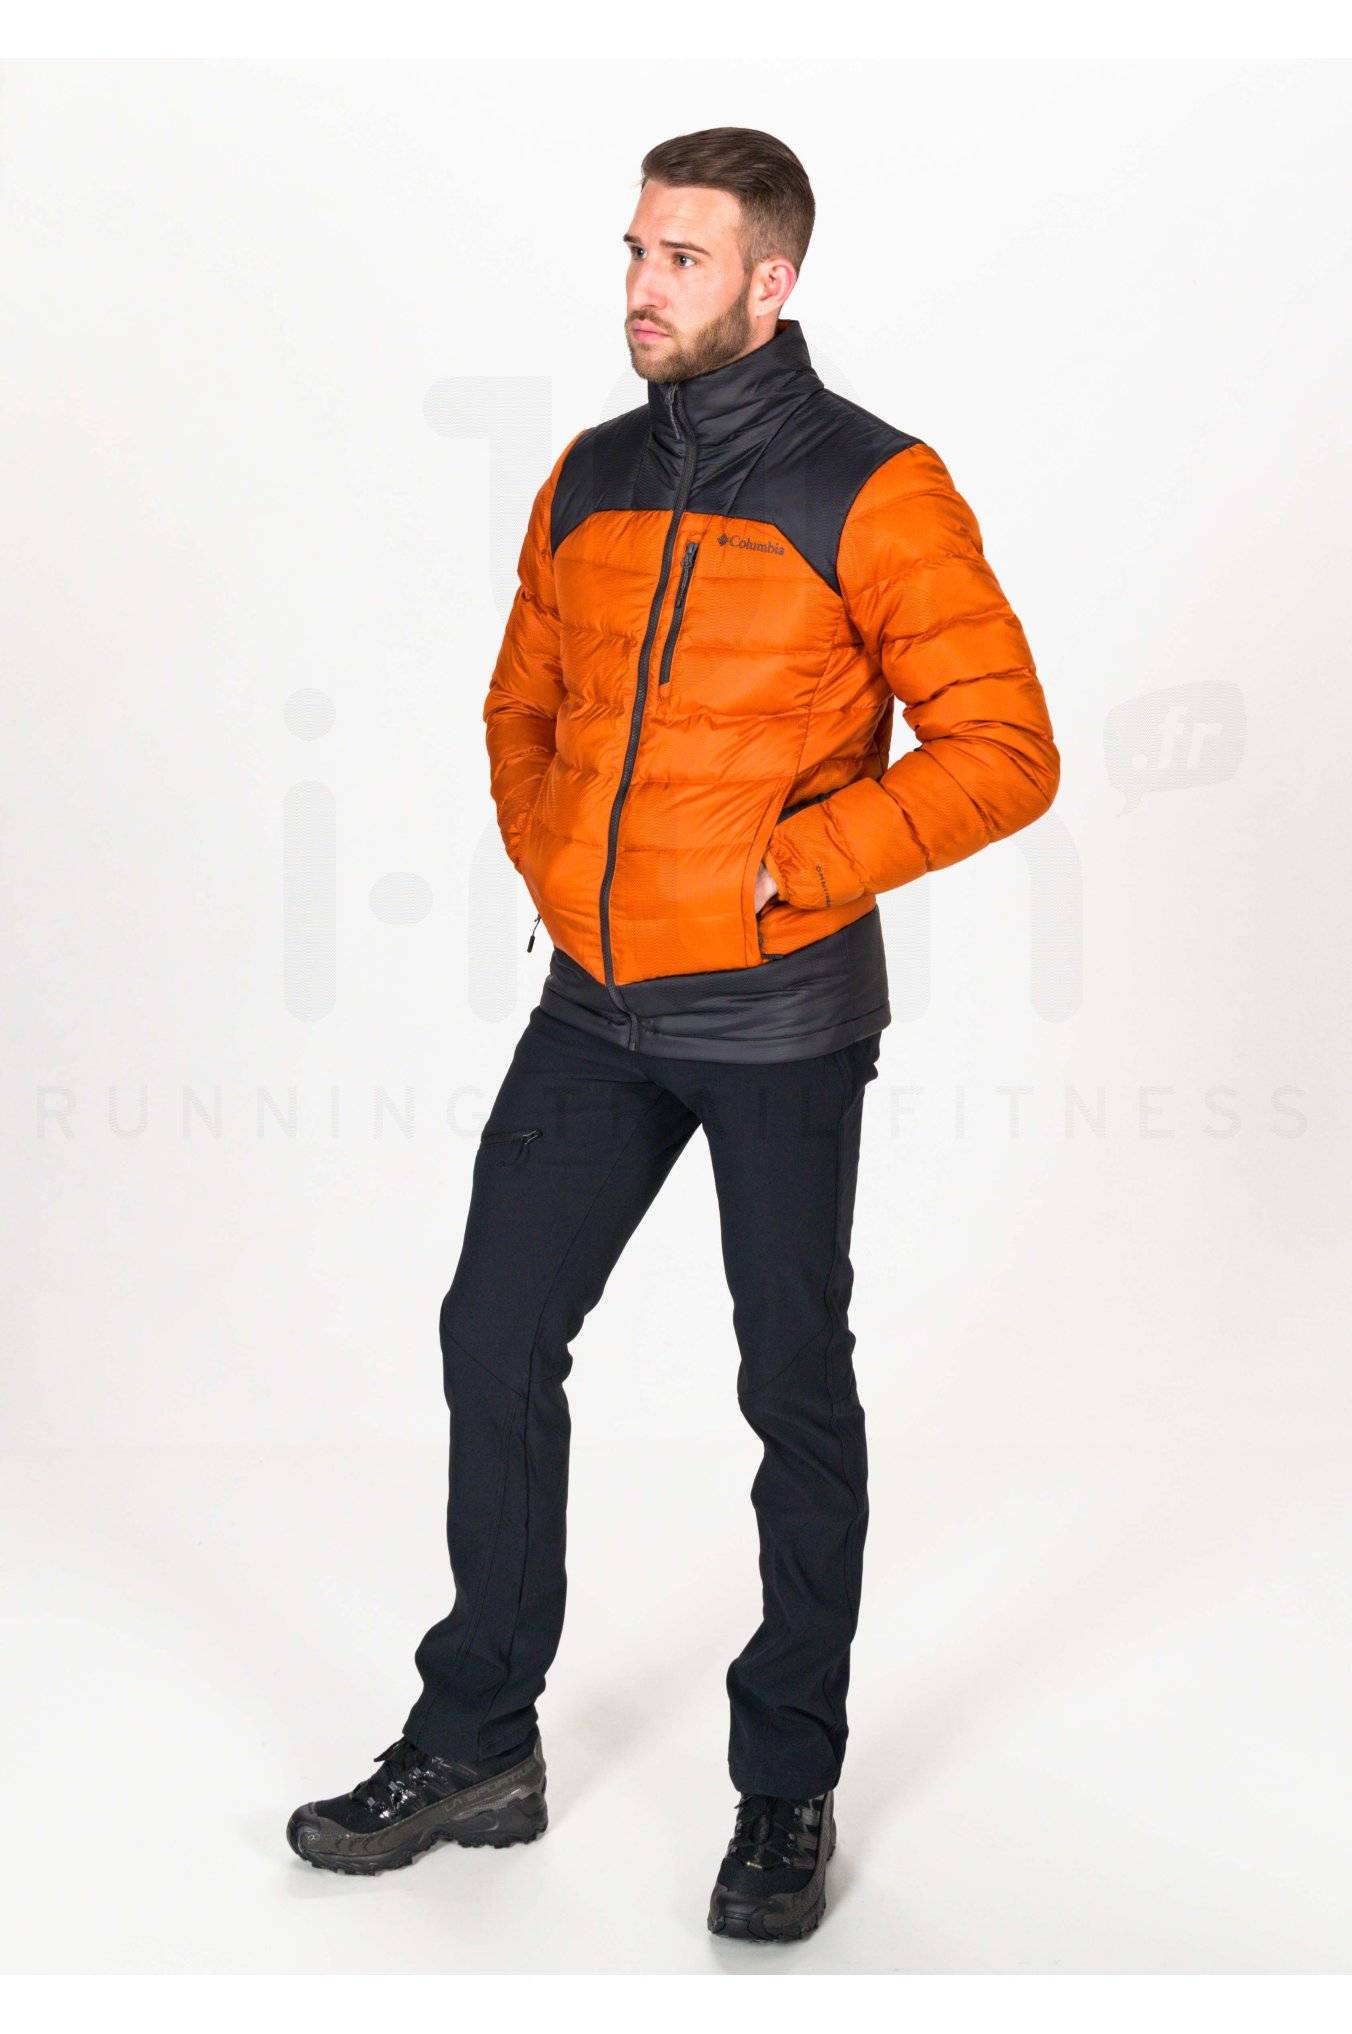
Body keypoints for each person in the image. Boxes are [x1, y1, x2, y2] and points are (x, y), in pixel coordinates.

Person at [286, 125, 1059, 1943]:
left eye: (684, 257)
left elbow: (1005, 747)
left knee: (789, 1382)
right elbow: (524, 701)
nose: (643, 285)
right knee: (495, 1331)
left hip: (779, 1016)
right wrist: (568, 865)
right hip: (596, 1005)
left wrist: (788, 870)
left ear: (772, 282)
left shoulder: (878, 486)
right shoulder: (589, 473)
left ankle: (785, 1780)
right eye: (636, 248)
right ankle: (477, 1736)